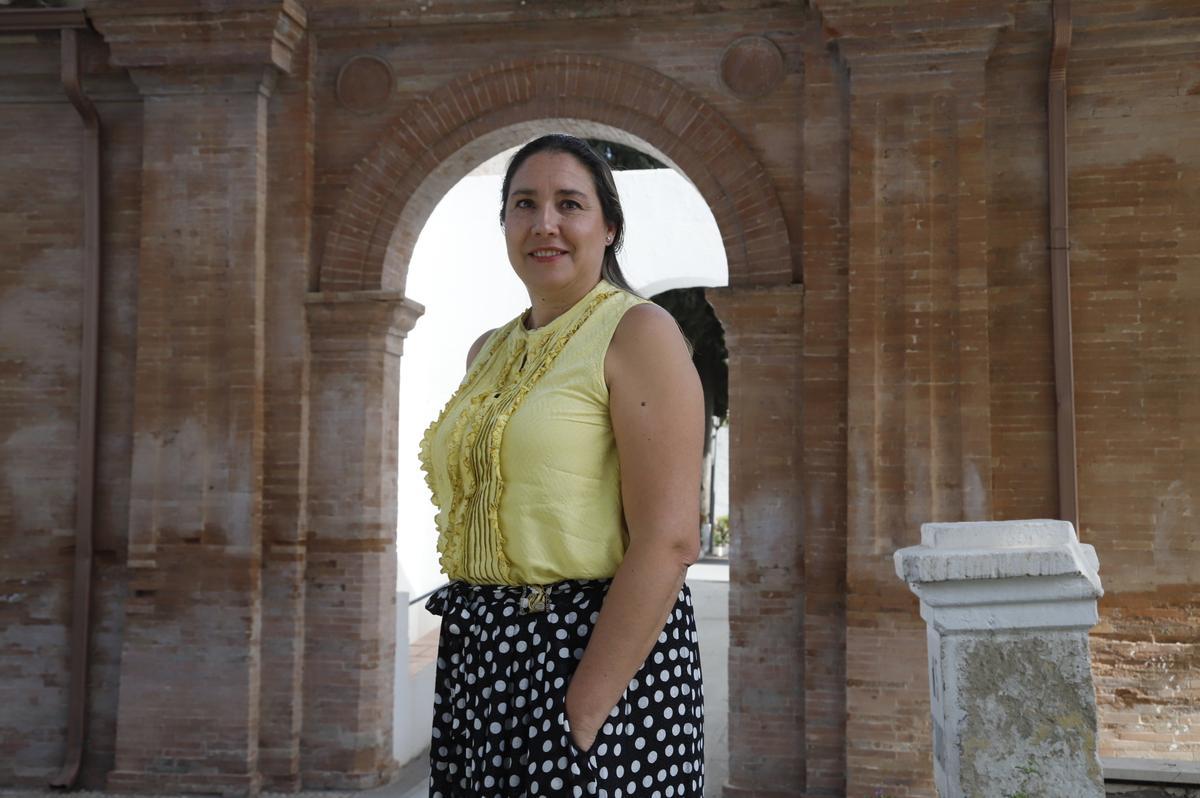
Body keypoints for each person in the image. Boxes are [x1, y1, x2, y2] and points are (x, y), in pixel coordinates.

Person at [419, 133, 705, 797]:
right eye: (524, 203)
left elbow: (669, 540)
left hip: (591, 655)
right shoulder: (487, 351)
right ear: (506, 224)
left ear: (609, 227)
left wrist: (582, 712)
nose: (544, 223)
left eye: (569, 204)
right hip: (480, 659)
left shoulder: (639, 332)